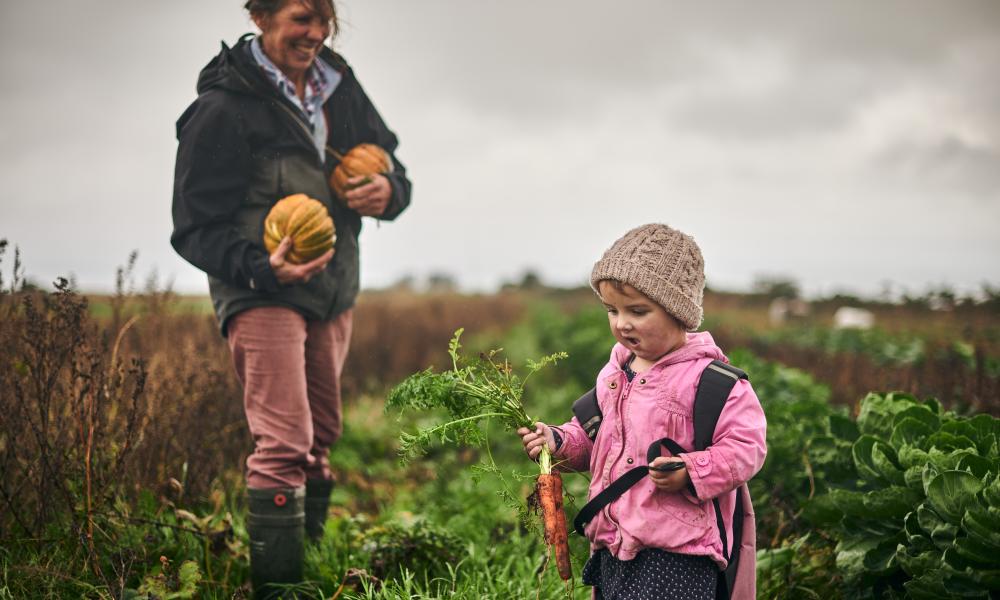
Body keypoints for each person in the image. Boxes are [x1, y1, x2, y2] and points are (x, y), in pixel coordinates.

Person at [170, 0, 411, 596]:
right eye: (302, 17)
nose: (316, 32)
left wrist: (390, 190)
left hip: (332, 287)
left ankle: (312, 563)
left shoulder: (339, 84)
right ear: (260, 15)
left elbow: (390, 163)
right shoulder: (223, 108)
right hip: (260, 290)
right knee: (283, 444)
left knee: (322, 434)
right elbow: (193, 226)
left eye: (324, 18)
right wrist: (261, 267)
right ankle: (278, 590)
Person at [518, 224, 766, 600]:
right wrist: (558, 441)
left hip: (679, 553)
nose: (622, 323)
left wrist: (692, 470)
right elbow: (593, 439)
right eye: (612, 310)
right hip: (614, 544)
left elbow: (747, 448)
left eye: (637, 310)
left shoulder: (712, 382)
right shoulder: (616, 373)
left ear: (678, 312)